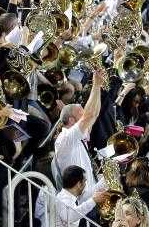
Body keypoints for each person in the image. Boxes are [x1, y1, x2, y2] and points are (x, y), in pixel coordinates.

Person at [53, 70, 103, 200]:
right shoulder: (65, 138)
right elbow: (90, 115)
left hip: (90, 198)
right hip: (80, 204)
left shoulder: (77, 137)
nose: (84, 118)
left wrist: (97, 88)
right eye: (81, 114)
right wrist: (96, 85)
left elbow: (94, 114)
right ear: (71, 120)